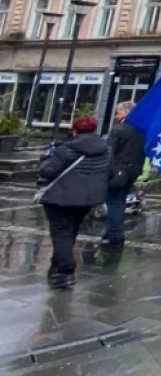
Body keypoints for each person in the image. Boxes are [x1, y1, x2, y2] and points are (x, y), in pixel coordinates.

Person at [38, 116, 110, 288]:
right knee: (71, 231)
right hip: (88, 199)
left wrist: (46, 159)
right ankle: (57, 265)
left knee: (61, 232)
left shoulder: (66, 149)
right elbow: (109, 171)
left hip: (62, 198)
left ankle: (65, 270)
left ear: (75, 130)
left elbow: (47, 171)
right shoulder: (106, 149)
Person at [101, 100, 144, 248]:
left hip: (119, 171)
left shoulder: (119, 129)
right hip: (134, 170)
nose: (116, 116)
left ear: (126, 113)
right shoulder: (142, 129)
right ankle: (114, 232)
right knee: (120, 200)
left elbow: (109, 152)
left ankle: (115, 234)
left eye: (118, 113)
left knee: (115, 202)